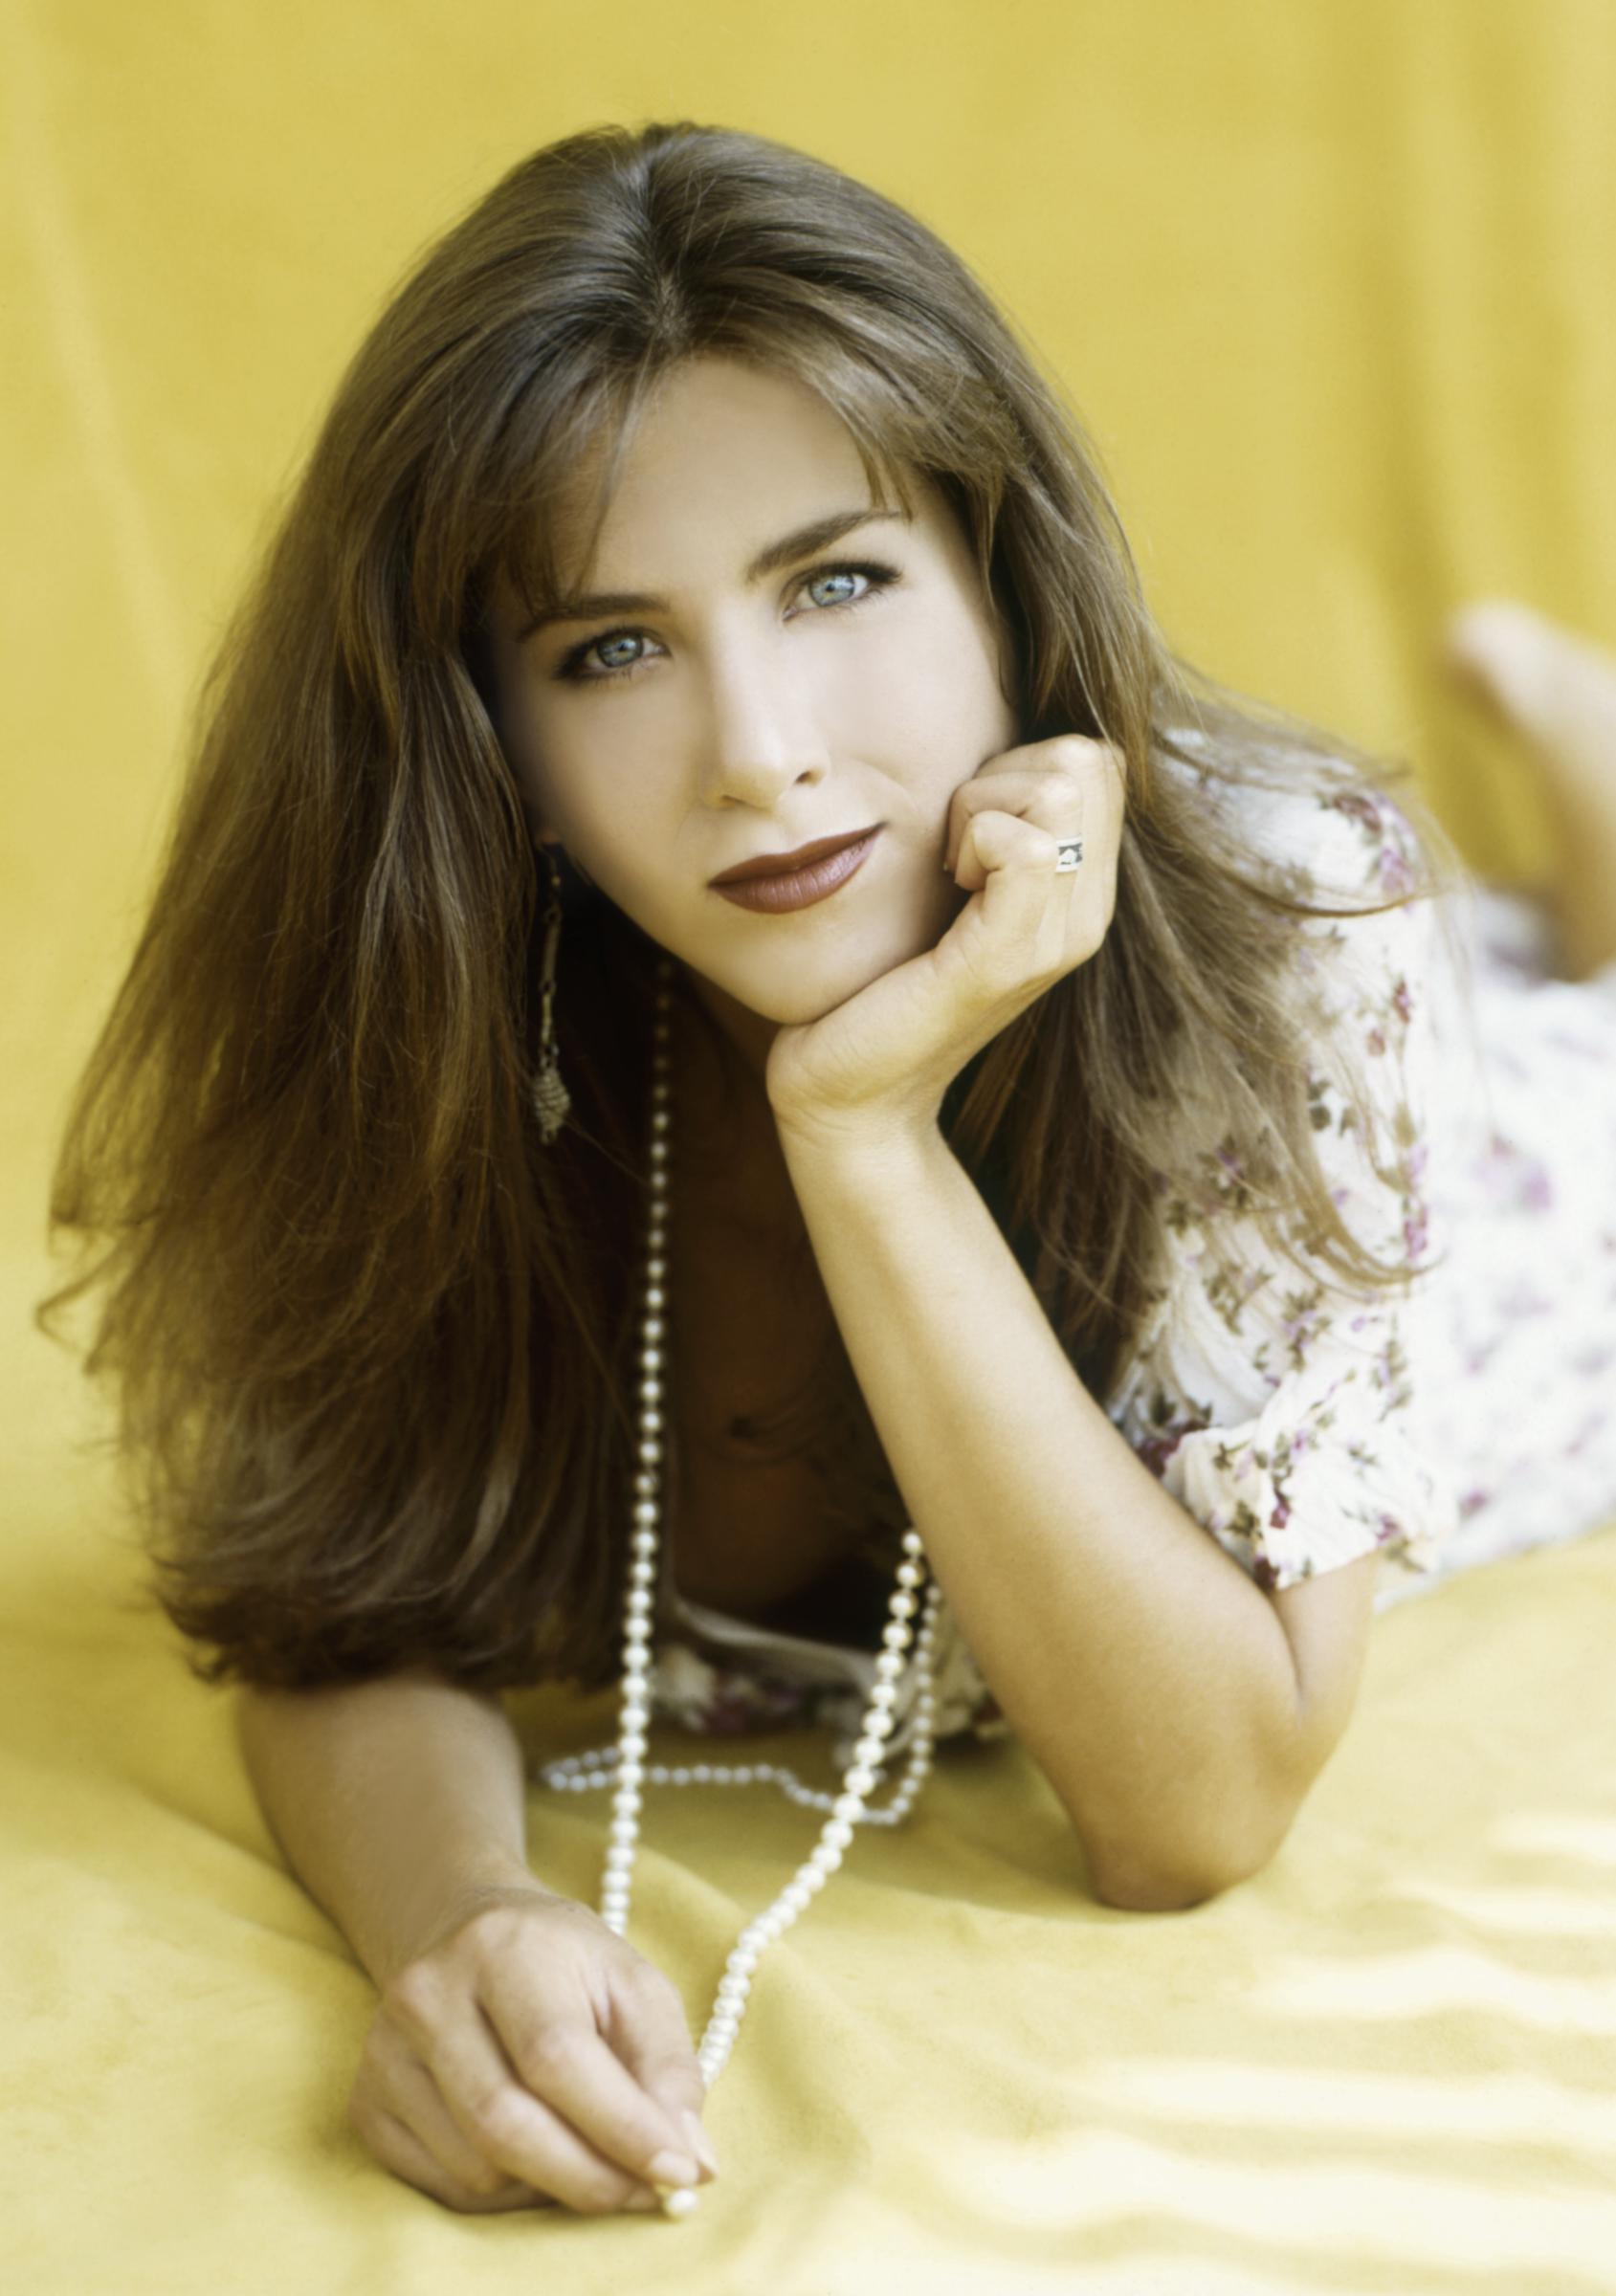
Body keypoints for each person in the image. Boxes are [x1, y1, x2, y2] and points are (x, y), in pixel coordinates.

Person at [34, 121, 1616, 2222]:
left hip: (1438, 1166)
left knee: (1560, 1110)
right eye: (610, 649)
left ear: (999, 581)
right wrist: (456, 1920)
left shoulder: (1284, 934)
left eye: (836, 583)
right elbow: (334, 1590)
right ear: (486, 744)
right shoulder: (422, 1008)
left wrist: (861, 1133)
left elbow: (1193, 1812)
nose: (759, 750)